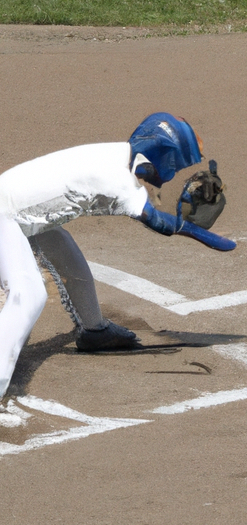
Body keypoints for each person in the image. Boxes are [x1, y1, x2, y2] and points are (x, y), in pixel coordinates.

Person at [0, 113, 231, 406]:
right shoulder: (117, 179)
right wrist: (212, 238)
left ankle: (94, 331)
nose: (173, 171)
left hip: (21, 214)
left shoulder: (114, 153)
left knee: (67, 256)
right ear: (162, 154)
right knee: (29, 294)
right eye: (174, 163)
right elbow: (158, 222)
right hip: (6, 216)